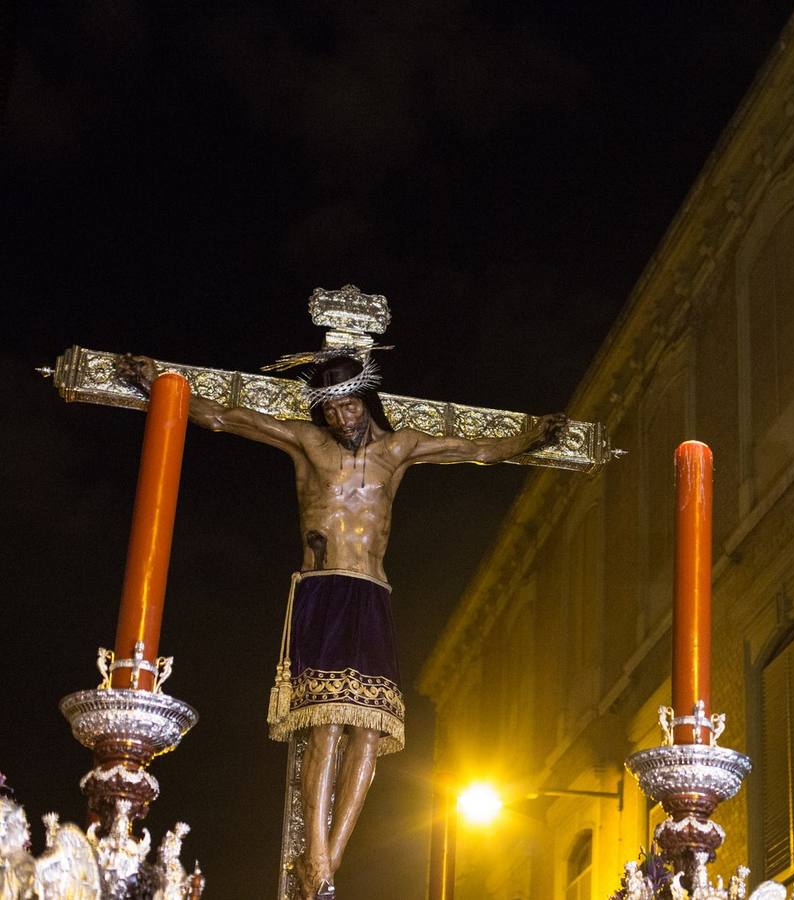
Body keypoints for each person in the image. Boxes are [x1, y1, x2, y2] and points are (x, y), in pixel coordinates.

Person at [118, 353, 566, 899]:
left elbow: (475, 449)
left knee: (370, 730)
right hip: (324, 589)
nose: (340, 418)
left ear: (366, 399)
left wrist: (534, 436)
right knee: (327, 725)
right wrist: (162, 384)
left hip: (372, 592)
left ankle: (331, 857)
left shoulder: (398, 449)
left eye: (349, 405)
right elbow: (228, 417)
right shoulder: (310, 444)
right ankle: (315, 857)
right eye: (330, 409)